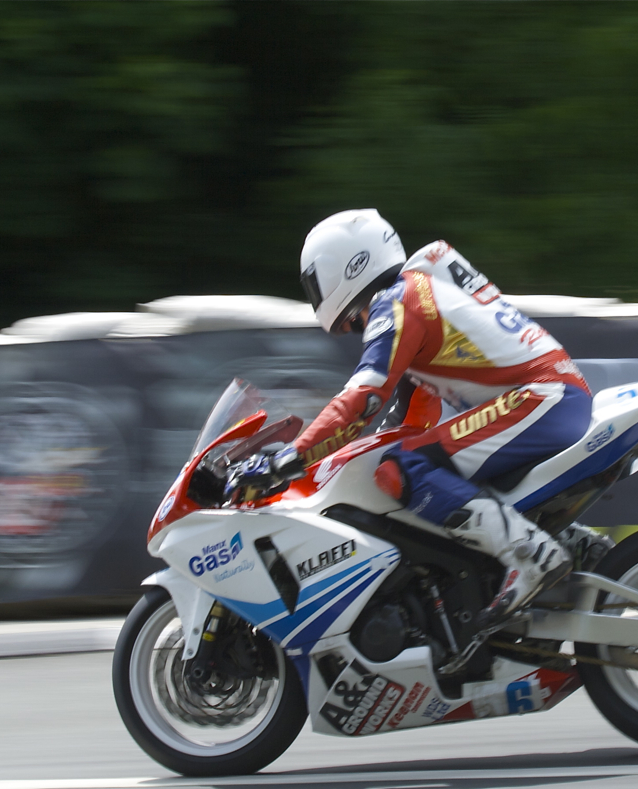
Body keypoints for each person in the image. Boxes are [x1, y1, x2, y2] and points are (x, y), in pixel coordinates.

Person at [230, 208, 599, 631]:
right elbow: (409, 420)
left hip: (542, 400)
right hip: (549, 398)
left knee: (404, 468)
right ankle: (570, 542)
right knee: (411, 464)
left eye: (315, 282)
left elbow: (363, 399)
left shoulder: (397, 302)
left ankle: (529, 554)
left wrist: (286, 461)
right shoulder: (418, 296)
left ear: (345, 267)